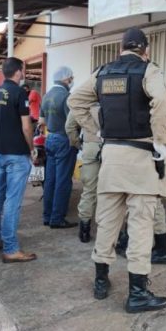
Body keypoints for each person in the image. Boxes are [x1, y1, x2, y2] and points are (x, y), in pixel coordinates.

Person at [68, 26, 166, 314]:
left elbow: (74, 101)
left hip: (111, 159)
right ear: (145, 50)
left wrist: (96, 131)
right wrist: (160, 142)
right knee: (139, 226)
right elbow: (161, 101)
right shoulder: (149, 70)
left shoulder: (102, 73)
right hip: (141, 159)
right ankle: (137, 294)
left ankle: (101, 282)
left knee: (108, 221)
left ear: (120, 49)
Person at [0, 57, 37, 263]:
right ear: (18, 71)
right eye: (23, 69)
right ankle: (10, 248)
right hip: (16, 154)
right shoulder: (19, 93)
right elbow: (26, 127)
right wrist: (32, 148)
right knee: (13, 202)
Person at [38, 66, 78, 229]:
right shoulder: (66, 97)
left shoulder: (46, 96)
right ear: (66, 79)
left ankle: (47, 216)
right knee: (63, 181)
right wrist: (76, 140)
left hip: (50, 138)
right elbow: (72, 122)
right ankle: (57, 218)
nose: (71, 81)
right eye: (71, 79)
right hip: (64, 139)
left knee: (50, 180)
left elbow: (41, 121)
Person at [65, 104, 103, 243]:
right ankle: (109, 231)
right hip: (113, 148)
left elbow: (69, 127)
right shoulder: (114, 95)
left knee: (89, 191)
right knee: (113, 192)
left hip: (91, 147)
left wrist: (78, 144)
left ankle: (84, 232)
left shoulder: (83, 101)